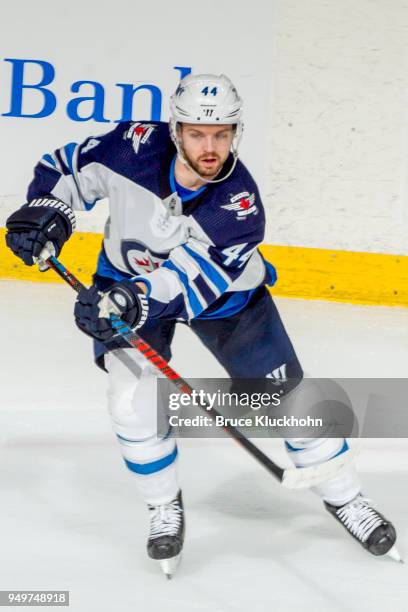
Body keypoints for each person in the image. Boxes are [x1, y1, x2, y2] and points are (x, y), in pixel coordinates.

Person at [5, 73, 400, 577]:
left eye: (222, 134)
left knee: (293, 402)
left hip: (222, 301)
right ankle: (163, 507)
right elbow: (65, 168)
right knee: (131, 403)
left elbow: (191, 281)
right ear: (176, 131)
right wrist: (49, 211)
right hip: (125, 282)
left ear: (237, 132)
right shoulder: (132, 147)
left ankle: (347, 499)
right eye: (197, 133)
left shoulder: (239, 204)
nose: (210, 147)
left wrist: (134, 298)